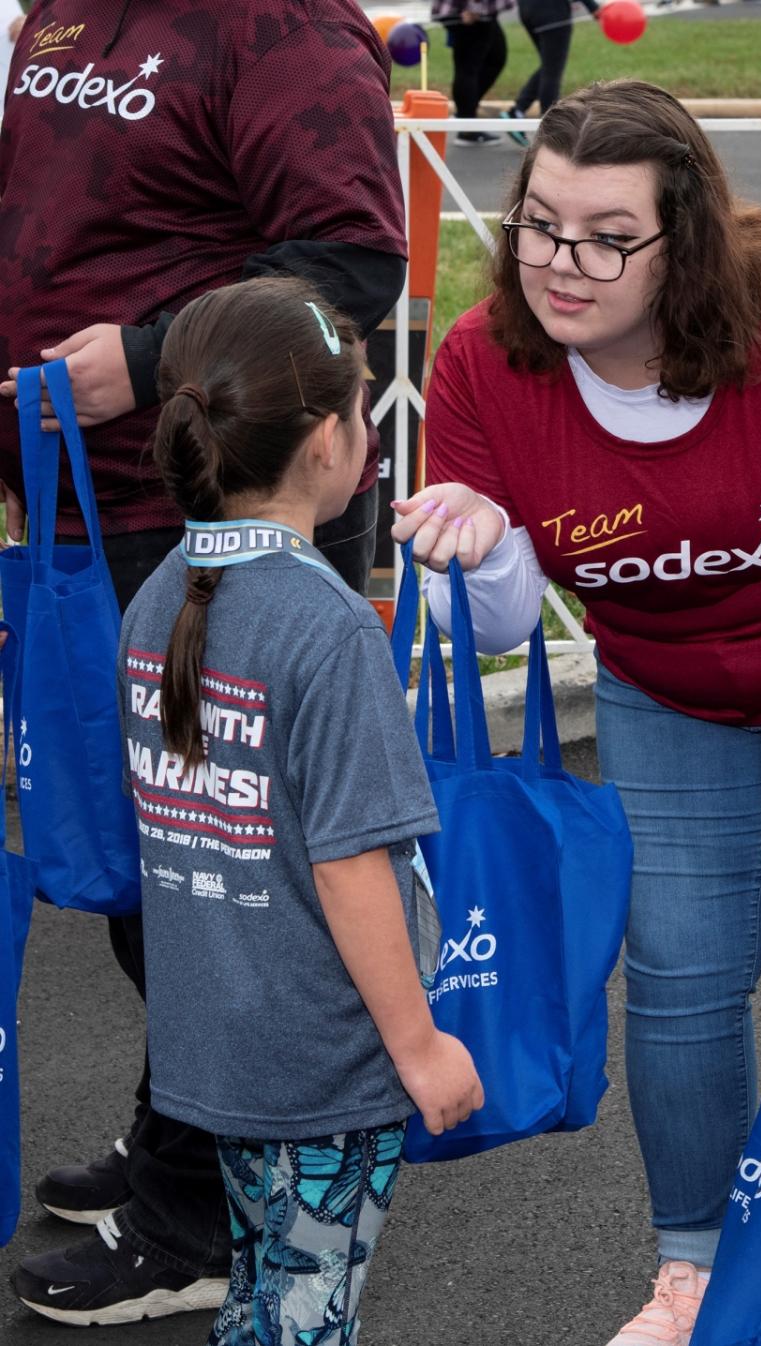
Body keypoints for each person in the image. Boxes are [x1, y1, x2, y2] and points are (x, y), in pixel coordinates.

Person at [391, 79, 761, 1346]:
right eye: (540, 224)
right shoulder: (485, 364)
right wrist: (487, 544)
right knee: (676, 980)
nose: (563, 263)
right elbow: (497, 626)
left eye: (609, 235)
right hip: (663, 691)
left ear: (688, 239)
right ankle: (698, 1275)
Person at [0, 0, 408, 1326]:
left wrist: (138, 353)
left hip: (210, 509)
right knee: (151, 871)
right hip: (83, 513)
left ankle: (202, 1218)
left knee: (216, 871)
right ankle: (185, 1140)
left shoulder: (278, 20)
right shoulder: (65, 10)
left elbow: (350, 263)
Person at [121, 276, 482, 1345]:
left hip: (216, 1048)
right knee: (304, 1316)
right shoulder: (327, 628)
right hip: (320, 1065)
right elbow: (350, 864)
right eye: (364, 407)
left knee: (266, 1299)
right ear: (328, 440)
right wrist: (417, 1046)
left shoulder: (161, 593)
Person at [499, 0, 600, 147]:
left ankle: (517, 112)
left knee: (549, 65)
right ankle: (550, 131)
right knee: (552, 71)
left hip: (528, 10)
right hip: (552, 12)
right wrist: (593, 7)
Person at [431, 0, 515, 146]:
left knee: (496, 58)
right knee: (468, 68)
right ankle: (467, 128)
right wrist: (476, 7)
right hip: (471, 14)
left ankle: (465, 113)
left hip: (481, 14)